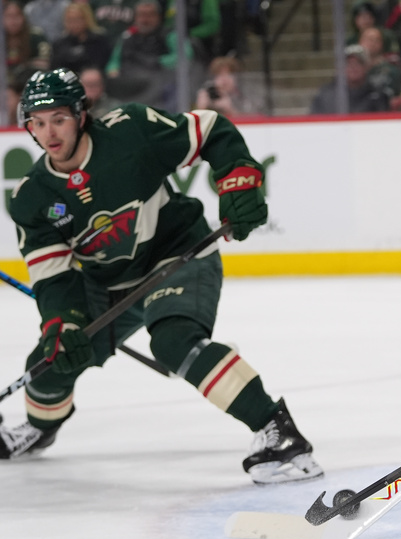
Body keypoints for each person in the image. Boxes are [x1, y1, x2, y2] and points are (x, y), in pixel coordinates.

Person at [0, 68, 323, 487]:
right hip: (106, 284)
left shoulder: (131, 132)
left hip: (175, 255)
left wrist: (239, 178)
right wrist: (63, 326)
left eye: (58, 118)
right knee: (49, 363)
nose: (49, 133)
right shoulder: (32, 197)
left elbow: (211, 129)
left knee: (175, 342)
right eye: (37, 123)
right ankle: (40, 428)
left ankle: (278, 433)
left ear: (82, 114)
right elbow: (54, 277)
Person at [105, 0, 192, 108]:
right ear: (135, 17)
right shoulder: (127, 38)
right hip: (129, 87)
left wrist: (158, 62)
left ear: (159, 17)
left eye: (150, 15)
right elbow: (114, 62)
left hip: (160, 88)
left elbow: (184, 57)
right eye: (141, 15)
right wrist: (113, 72)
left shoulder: (170, 35)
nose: (145, 20)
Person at [50, 3, 113, 75]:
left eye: (77, 19)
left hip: (92, 81)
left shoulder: (99, 41)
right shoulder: (59, 43)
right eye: (70, 20)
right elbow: (55, 68)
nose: (74, 24)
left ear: (87, 19)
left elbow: (102, 66)